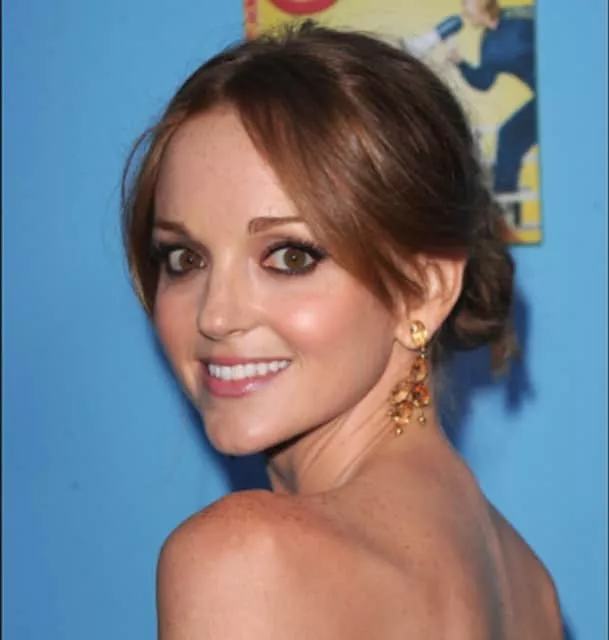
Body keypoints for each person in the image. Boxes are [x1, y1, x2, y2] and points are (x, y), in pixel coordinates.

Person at [122, 22, 562, 639]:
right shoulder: (529, 586)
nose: (215, 316)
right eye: (184, 258)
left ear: (423, 290)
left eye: (290, 257)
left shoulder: (243, 559)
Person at [448, 0, 537, 226]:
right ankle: (506, 216)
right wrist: (461, 63)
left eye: (466, 3)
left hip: (565, 92)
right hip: (543, 100)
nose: (463, 10)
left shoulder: (519, 16)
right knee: (509, 137)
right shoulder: (487, 42)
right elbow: (484, 81)